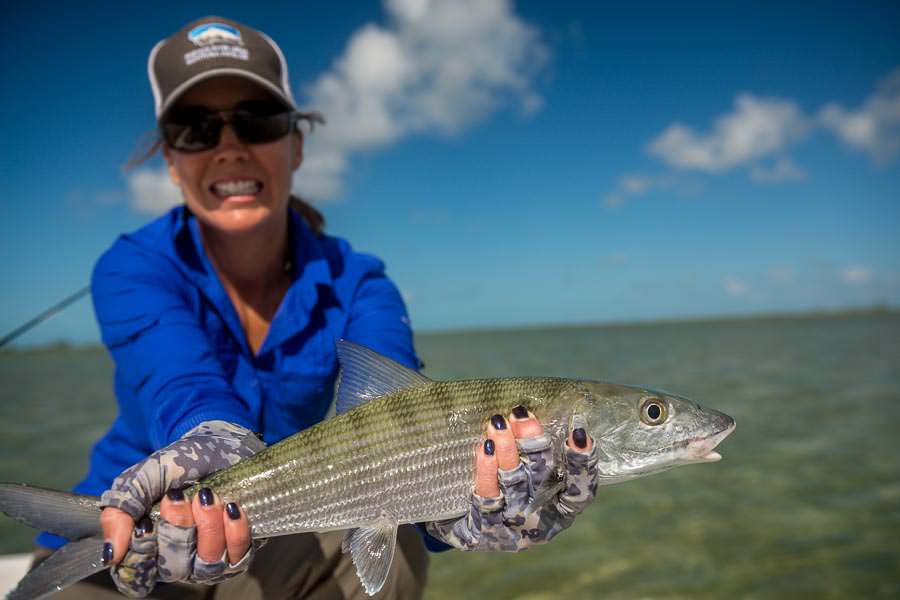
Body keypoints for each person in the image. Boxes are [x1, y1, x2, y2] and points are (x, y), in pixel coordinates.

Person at [33, 16, 600, 599]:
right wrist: (210, 441)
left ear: (295, 145)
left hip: (273, 538)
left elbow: (403, 410)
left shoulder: (359, 282)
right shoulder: (132, 267)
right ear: (171, 161)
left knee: (396, 544)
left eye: (256, 122)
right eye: (196, 129)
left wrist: (454, 513)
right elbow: (178, 377)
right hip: (128, 538)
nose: (229, 148)